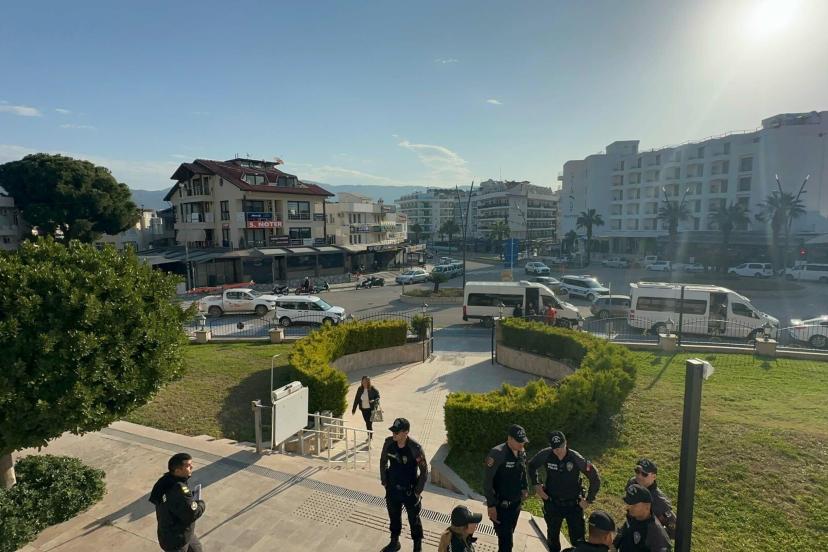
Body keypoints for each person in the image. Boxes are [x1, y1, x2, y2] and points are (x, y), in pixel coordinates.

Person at [528, 431, 601, 552]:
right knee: (552, 537)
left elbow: (594, 477)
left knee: (578, 541)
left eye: (561, 447)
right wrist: (537, 485)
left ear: (566, 443)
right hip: (552, 503)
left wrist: (588, 500)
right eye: (555, 448)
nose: (558, 451)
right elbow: (532, 465)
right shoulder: (546, 454)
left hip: (574, 505)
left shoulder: (576, 458)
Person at [380, 418, 428, 552]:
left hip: (409, 491)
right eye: (393, 431)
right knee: (394, 517)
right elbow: (383, 461)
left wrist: (417, 491)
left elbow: (424, 471)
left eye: (397, 432)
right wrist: (385, 481)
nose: (394, 434)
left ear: (406, 432)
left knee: (414, 520)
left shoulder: (415, 449)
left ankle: (417, 547)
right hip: (393, 490)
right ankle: (394, 542)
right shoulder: (389, 443)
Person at [483, 424, 530, 552]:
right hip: (501, 506)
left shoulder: (521, 451)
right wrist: (491, 505)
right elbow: (487, 482)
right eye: (519, 441)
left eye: (523, 441)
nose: (522, 444)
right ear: (509, 439)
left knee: (509, 534)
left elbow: (523, 469)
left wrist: (525, 487)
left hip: (515, 504)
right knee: (506, 544)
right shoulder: (497, 454)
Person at [149, 452, 206, 552]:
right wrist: (201, 504)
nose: (192, 467)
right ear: (178, 471)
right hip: (176, 540)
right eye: (188, 466)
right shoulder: (178, 489)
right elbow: (192, 513)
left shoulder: (165, 481)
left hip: (184, 533)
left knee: (196, 549)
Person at [625, 459, 676, 540]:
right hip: (630, 529)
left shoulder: (659, 502)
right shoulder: (632, 483)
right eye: (637, 471)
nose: (639, 476)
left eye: (644, 474)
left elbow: (674, 531)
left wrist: (651, 534)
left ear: (654, 477)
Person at [614, 484, 672, 552]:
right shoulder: (633, 516)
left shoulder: (655, 535)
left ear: (647, 506)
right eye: (628, 503)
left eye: (634, 504)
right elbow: (621, 536)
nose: (629, 507)